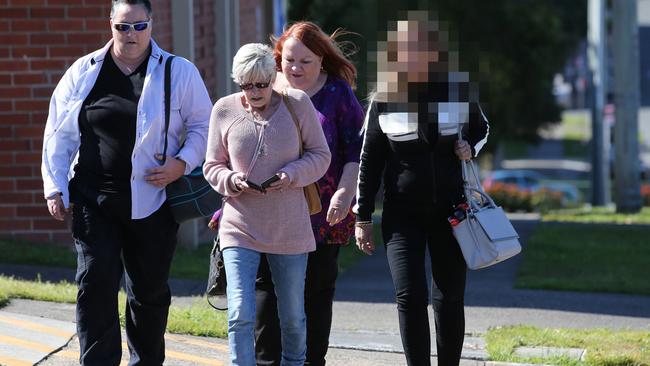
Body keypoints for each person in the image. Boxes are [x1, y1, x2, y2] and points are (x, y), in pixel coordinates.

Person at [40, 0, 212, 364]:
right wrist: (55, 186)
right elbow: (59, 132)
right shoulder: (84, 71)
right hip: (93, 198)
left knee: (148, 291)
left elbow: (203, 125)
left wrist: (182, 164)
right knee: (96, 284)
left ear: (151, 25)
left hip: (153, 199)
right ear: (111, 26)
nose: (131, 34)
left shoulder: (178, 72)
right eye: (123, 27)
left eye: (138, 26)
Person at [353, 11, 489, 366]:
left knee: (449, 296)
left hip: (452, 211)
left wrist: (468, 147)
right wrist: (362, 217)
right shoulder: (383, 99)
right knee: (409, 297)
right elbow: (369, 162)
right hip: (402, 215)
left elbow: (481, 128)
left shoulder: (457, 89)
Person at [203, 43, 331, 366]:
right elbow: (211, 165)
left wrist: (292, 174)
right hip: (239, 225)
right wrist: (230, 180)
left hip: (289, 225)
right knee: (239, 313)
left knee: (292, 317)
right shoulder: (224, 110)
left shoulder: (296, 104)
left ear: (273, 77)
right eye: (247, 84)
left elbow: (321, 155)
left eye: (261, 83)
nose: (255, 91)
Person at [254, 21, 365, 366]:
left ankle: (311, 360)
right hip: (268, 210)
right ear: (278, 59)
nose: (296, 68)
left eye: (306, 61)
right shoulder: (264, 90)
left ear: (321, 60)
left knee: (315, 294)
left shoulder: (337, 94)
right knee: (267, 291)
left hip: (323, 214)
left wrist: (346, 194)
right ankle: (267, 361)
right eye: (289, 60)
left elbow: (355, 152)